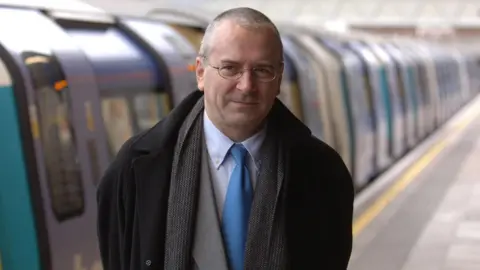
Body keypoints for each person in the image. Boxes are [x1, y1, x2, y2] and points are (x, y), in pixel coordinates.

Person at [96, 7, 354, 270]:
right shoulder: (133, 170)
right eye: (230, 68)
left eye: (262, 70)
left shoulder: (324, 174)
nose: (246, 86)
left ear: (279, 79)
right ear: (200, 72)